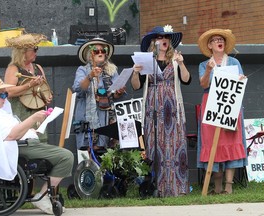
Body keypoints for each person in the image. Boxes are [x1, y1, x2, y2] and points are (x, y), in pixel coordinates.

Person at [0, 76, 74, 214]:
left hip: (25, 143)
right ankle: (42, 196)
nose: (5, 97)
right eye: (2, 94)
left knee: (63, 155)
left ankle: (45, 195)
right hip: (21, 147)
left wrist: (30, 129)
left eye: (6, 94)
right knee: (66, 156)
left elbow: (14, 132)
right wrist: (33, 118)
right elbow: (11, 136)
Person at [130, 24, 191, 197]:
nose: (163, 40)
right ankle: (155, 188)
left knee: (174, 146)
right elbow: (136, 86)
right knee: (154, 145)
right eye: (159, 37)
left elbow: (186, 80)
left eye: (166, 37)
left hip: (173, 110)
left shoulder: (175, 59)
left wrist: (182, 64)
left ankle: (177, 188)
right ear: (153, 42)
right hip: (153, 109)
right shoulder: (146, 60)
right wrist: (135, 73)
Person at [197, 29, 247, 194]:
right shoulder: (204, 64)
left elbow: (241, 82)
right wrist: (209, 71)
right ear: (210, 45)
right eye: (215, 39)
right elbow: (204, 85)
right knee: (213, 144)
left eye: (221, 39)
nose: (219, 41)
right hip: (211, 105)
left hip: (230, 105)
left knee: (230, 142)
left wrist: (241, 80)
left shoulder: (234, 62)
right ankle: (217, 186)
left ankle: (229, 185)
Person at [72, 38, 126, 150]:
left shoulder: (112, 71)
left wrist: (119, 92)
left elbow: (114, 96)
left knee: (109, 152)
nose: (101, 53)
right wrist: (90, 76)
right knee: (90, 150)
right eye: (96, 51)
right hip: (87, 118)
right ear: (90, 54)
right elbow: (79, 89)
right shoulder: (82, 70)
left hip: (107, 118)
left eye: (103, 50)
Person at [4, 33, 53, 142]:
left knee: (41, 143)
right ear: (23, 52)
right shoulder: (14, 68)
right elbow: (9, 92)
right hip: (21, 116)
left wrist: (47, 97)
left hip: (38, 115)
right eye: (34, 49)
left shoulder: (38, 67)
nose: (36, 52)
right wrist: (29, 85)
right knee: (26, 143)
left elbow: (45, 88)